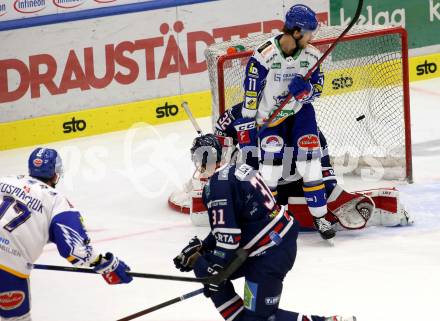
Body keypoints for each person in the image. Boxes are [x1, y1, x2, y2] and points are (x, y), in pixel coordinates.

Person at [173, 134, 356, 321]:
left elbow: (229, 237)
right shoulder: (240, 169)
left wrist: (216, 269)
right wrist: (204, 248)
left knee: (259, 317)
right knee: (203, 266)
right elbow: (232, 224)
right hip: (271, 241)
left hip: (269, 251)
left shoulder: (217, 186)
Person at [232, 4, 335, 239]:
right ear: (297, 32)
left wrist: (305, 92)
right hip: (271, 118)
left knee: (310, 163)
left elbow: (318, 89)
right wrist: (248, 126)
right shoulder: (264, 55)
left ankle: (320, 217)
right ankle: (273, 221)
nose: (312, 37)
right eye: (309, 32)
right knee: (269, 170)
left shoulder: (312, 55)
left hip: (300, 114)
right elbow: (250, 95)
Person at [0, 148, 132, 321]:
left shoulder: (4, 180)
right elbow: (75, 250)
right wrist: (106, 264)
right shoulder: (56, 201)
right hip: (9, 268)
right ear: (56, 174)